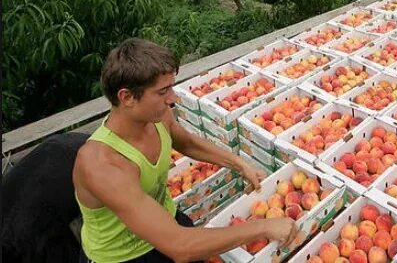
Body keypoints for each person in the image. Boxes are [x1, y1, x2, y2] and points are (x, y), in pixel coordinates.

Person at [72, 38, 297, 263]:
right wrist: (262, 227)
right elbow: (180, 247)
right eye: (162, 92)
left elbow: (186, 143)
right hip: (124, 257)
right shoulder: (101, 164)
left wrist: (239, 164)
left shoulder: (157, 117)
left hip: (168, 222)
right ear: (127, 97)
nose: (173, 98)